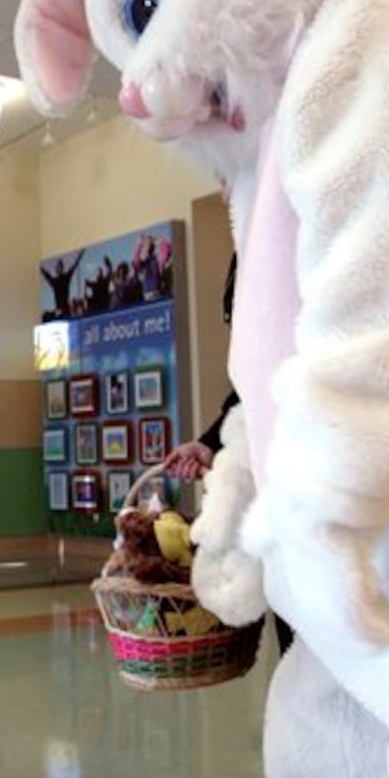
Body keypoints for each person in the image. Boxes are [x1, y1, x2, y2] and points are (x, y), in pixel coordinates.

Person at [165, 253, 292, 660]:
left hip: (319, 477)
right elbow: (248, 392)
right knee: (295, 629)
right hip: (278, 500)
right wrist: (209, 444)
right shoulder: (250, 248)